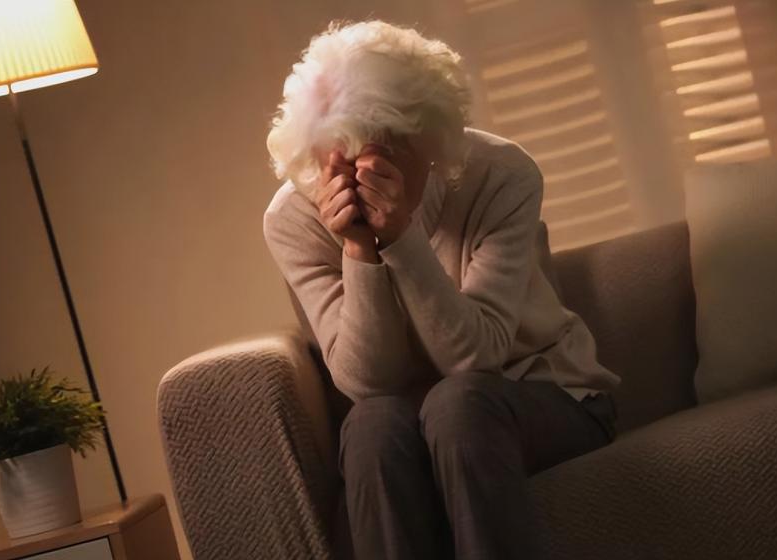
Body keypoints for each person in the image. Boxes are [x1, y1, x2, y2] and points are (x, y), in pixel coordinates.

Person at [263, 18, 621, 560]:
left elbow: (475, 357)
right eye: (340, 154)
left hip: (544, 393)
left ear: (428, 138)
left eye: (384, 149)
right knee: (371, 427)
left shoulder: (502, 175)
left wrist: (400, 236)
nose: (360, 174)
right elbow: (369, 384)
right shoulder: (294, 218)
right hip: (408, 417)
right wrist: (358, 250)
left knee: (458, 405)